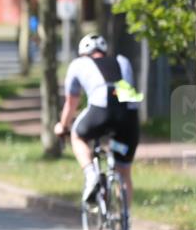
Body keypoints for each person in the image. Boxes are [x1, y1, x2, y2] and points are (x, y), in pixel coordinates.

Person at [54, 33, 142, 218]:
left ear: (83, 53)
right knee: (124, 170)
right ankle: (123, 221)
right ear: (104, 51)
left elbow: (72, 103)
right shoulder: (122, 60)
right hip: (129, 117)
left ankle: (91, 175)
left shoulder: (78, 64)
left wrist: (63, 126)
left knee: (77, 135)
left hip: (101, 110)